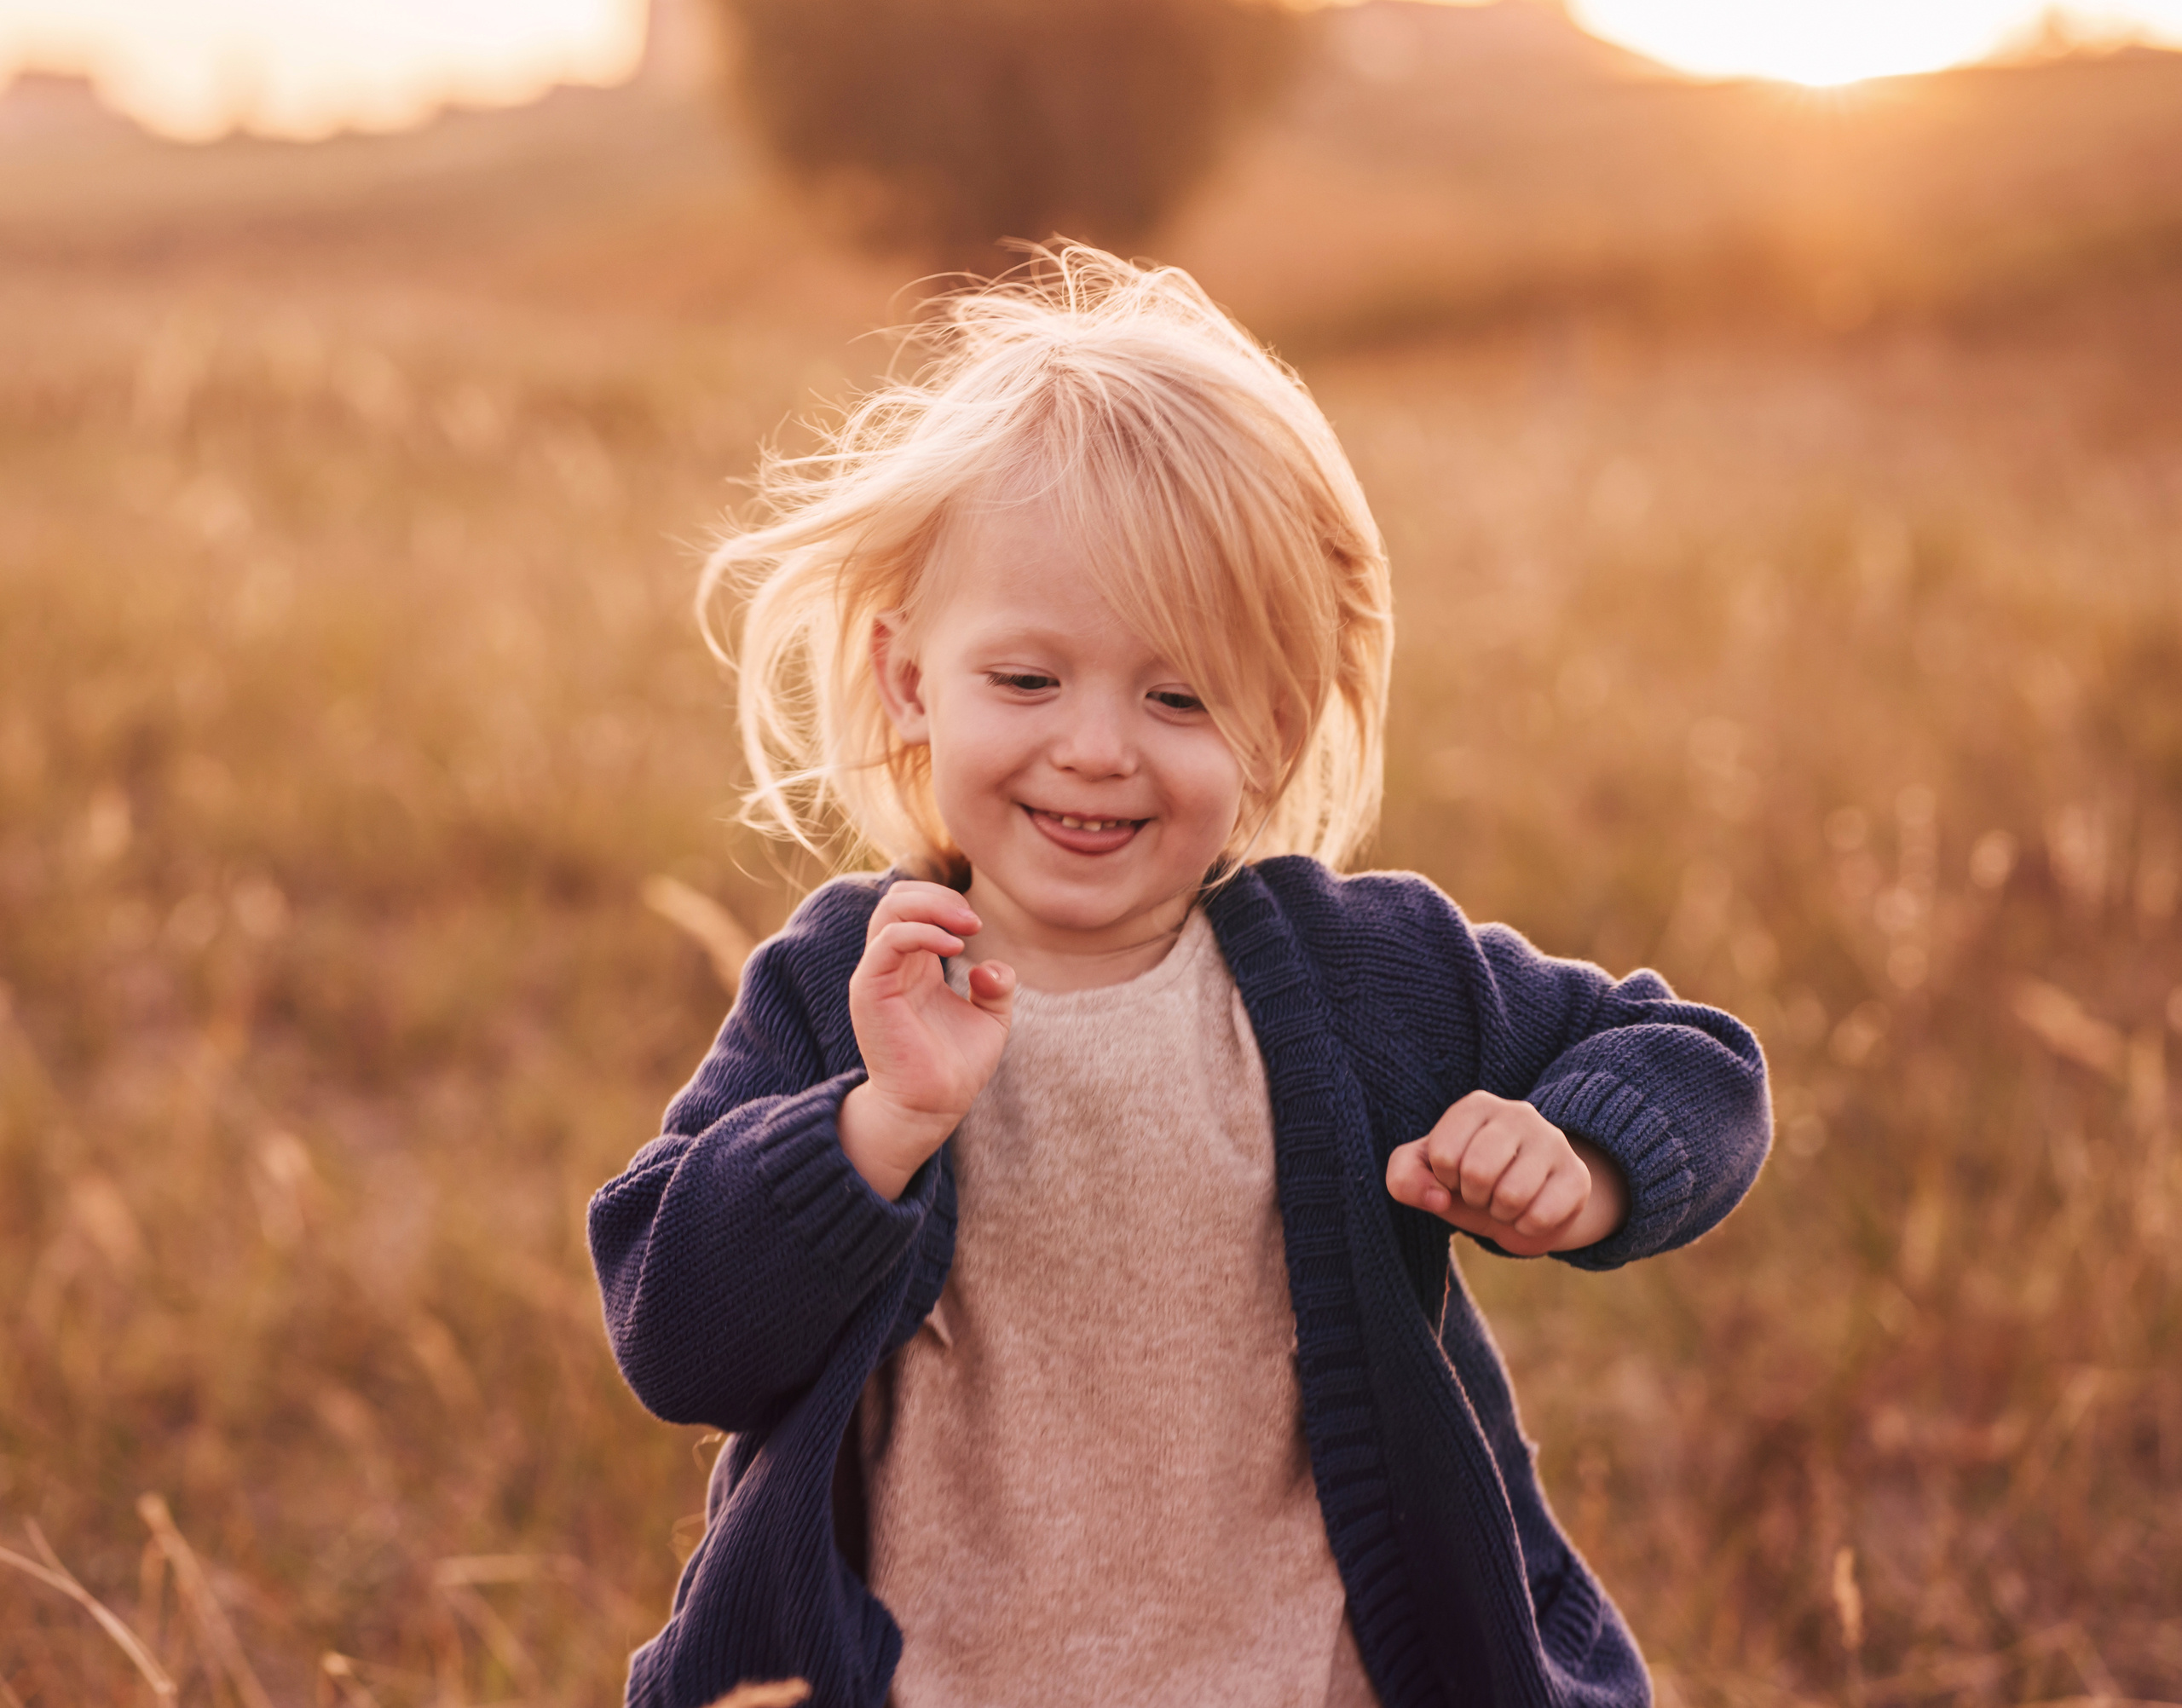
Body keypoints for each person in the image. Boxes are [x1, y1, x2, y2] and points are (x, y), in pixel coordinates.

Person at [587, 246, 1770, 1708]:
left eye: (1178, 695)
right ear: (908, 678)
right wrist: (876, 1127)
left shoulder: (1362, 975)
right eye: (1027, 680)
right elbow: (676, 1340)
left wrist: (1583, 1160)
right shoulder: (848, 983)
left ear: (1273, 727)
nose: (1096, 748)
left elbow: (1699, 1063)